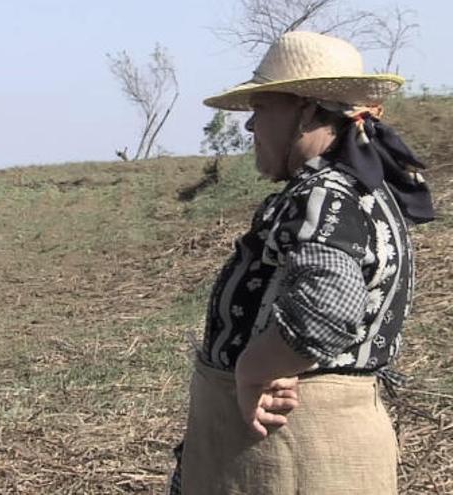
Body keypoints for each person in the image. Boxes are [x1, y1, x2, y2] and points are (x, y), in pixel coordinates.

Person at [169, 31, 434, 494]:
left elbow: (328, 309)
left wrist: (254, 370)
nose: (250, 126)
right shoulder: (363, 191)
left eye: (262, 108)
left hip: (288, 449)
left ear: (307, 110)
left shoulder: (323, 196)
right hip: (329, 449)